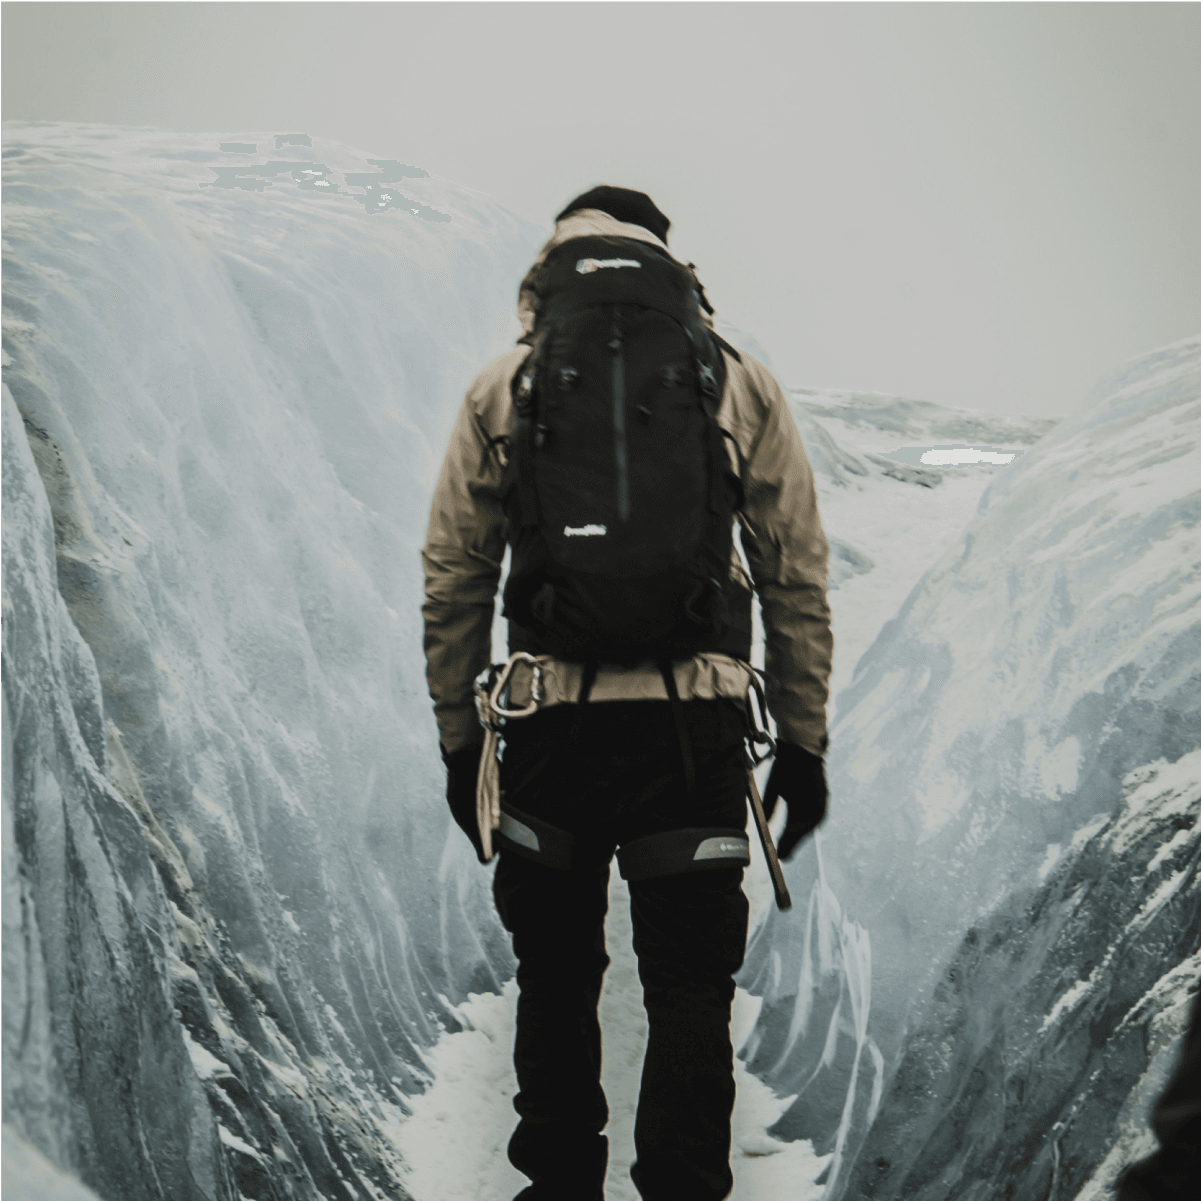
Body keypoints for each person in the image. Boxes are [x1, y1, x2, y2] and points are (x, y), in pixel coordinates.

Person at [421, 185, 832, 1201]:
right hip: (690, 738)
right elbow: (794, 570)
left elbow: (453, 571)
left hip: (549, 734)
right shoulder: (734, 384)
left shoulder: (505, 386)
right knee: (689, 982)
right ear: (669, 265)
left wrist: (459, 743)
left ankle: (557, 1185)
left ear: (549, 269)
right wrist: (805, 742)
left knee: (557, 975)